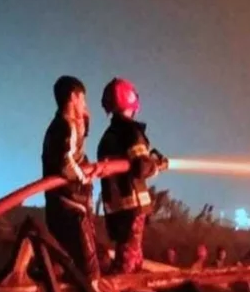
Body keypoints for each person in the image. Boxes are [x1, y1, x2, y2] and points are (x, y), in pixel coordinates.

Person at [96, 77, 168, 274]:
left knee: (132, 259)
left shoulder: (107, 137)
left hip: (116, 211)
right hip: (133, 208)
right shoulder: (131, 132)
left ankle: (127, 288)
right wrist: (156, 165)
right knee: (126, 265)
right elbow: (141, 167)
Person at [41, 76, 100, 280]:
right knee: (89, 268)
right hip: (67, 207)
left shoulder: (71, 125)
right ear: (73, 97)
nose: (85, 104)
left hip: (75, 204)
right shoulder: (62, 127)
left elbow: (76, 154)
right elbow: (65, 164)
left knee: (81, 261)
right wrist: (84, 177)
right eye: (83, 98)